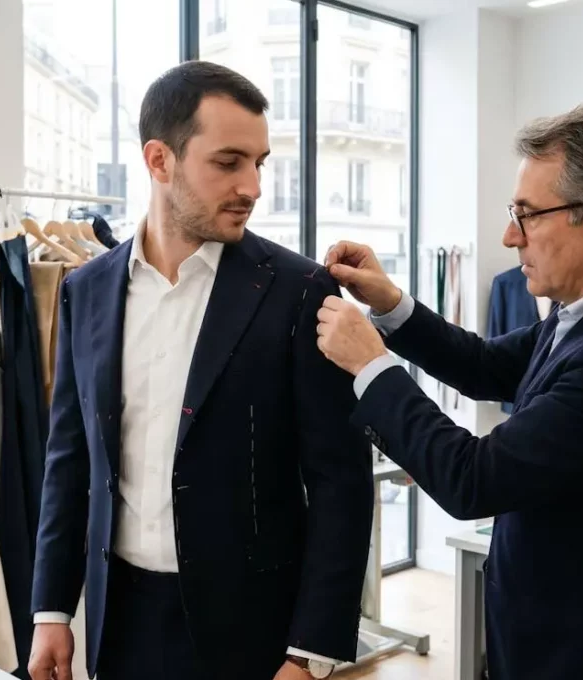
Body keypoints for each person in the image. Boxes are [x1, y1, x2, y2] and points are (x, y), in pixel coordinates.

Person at [315, 101, 583, 679]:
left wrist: (372, 368)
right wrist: (390, 304)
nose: (510, 236)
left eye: (528, 215)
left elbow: (473, 478)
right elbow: (484, 366)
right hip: (547, 642)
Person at [28, 61, 374, 680]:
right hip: (120, 623)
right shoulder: (85, 290)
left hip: (254, 633)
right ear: (160, 161)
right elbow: (69, 458)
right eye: (228, 162)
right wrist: (51, 609)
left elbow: (340, 483)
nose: (252, 186)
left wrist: (311, 653)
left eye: (259, 163)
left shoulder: (299, 291)